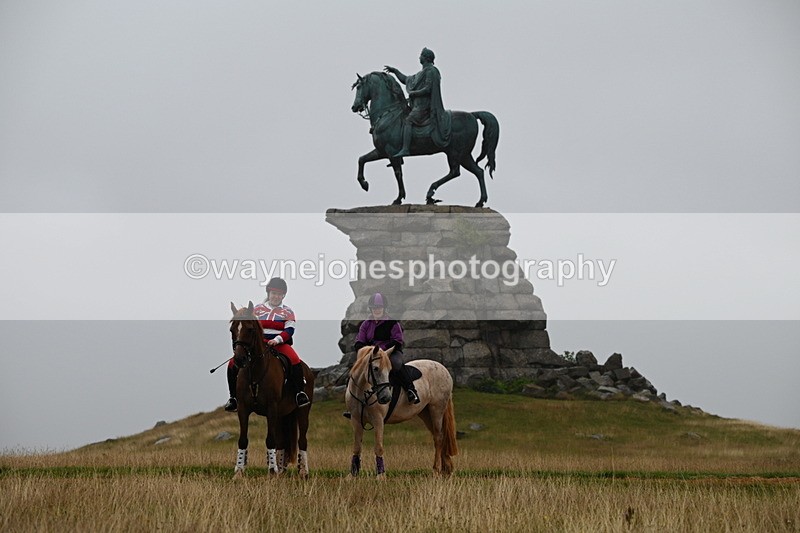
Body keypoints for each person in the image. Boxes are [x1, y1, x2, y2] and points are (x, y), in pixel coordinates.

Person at [224, 277, 310, 411]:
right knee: (231, 363)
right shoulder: (257, 309)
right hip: (259, 344)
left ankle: (299, 393)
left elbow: (289, 329)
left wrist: (277, 340)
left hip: (280, 344)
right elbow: (249, 325)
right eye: (273, 293)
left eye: (279, 294)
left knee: (294, 359)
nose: (276, 297)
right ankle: (233, 397)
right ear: (268, 293)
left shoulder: (288, 311)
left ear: (283, 296)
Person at [347, 293, 419, 418]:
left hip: (391, 352)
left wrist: (382, 350)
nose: (377, 310)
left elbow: (398, 340)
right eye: (374, 308)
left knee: (396, 364)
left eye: (379, 308)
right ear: (371, 309)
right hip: (372, 355)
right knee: (355, 370)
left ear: (384, 309)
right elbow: (359, 341)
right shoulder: (365, 324)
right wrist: (363, 350)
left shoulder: (392, 323)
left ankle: (411, 390)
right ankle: (353, 404)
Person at [384, 47, 452, 157]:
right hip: (416, 106)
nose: (419, 57)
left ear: (425, 58)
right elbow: (406, 80)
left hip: (424, 107)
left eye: (421, 55)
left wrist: (414, 93)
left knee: (408, 121)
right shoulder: (420, 73)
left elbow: (428, 88)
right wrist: (395, 71)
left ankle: (406, 149)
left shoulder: (431, 71)